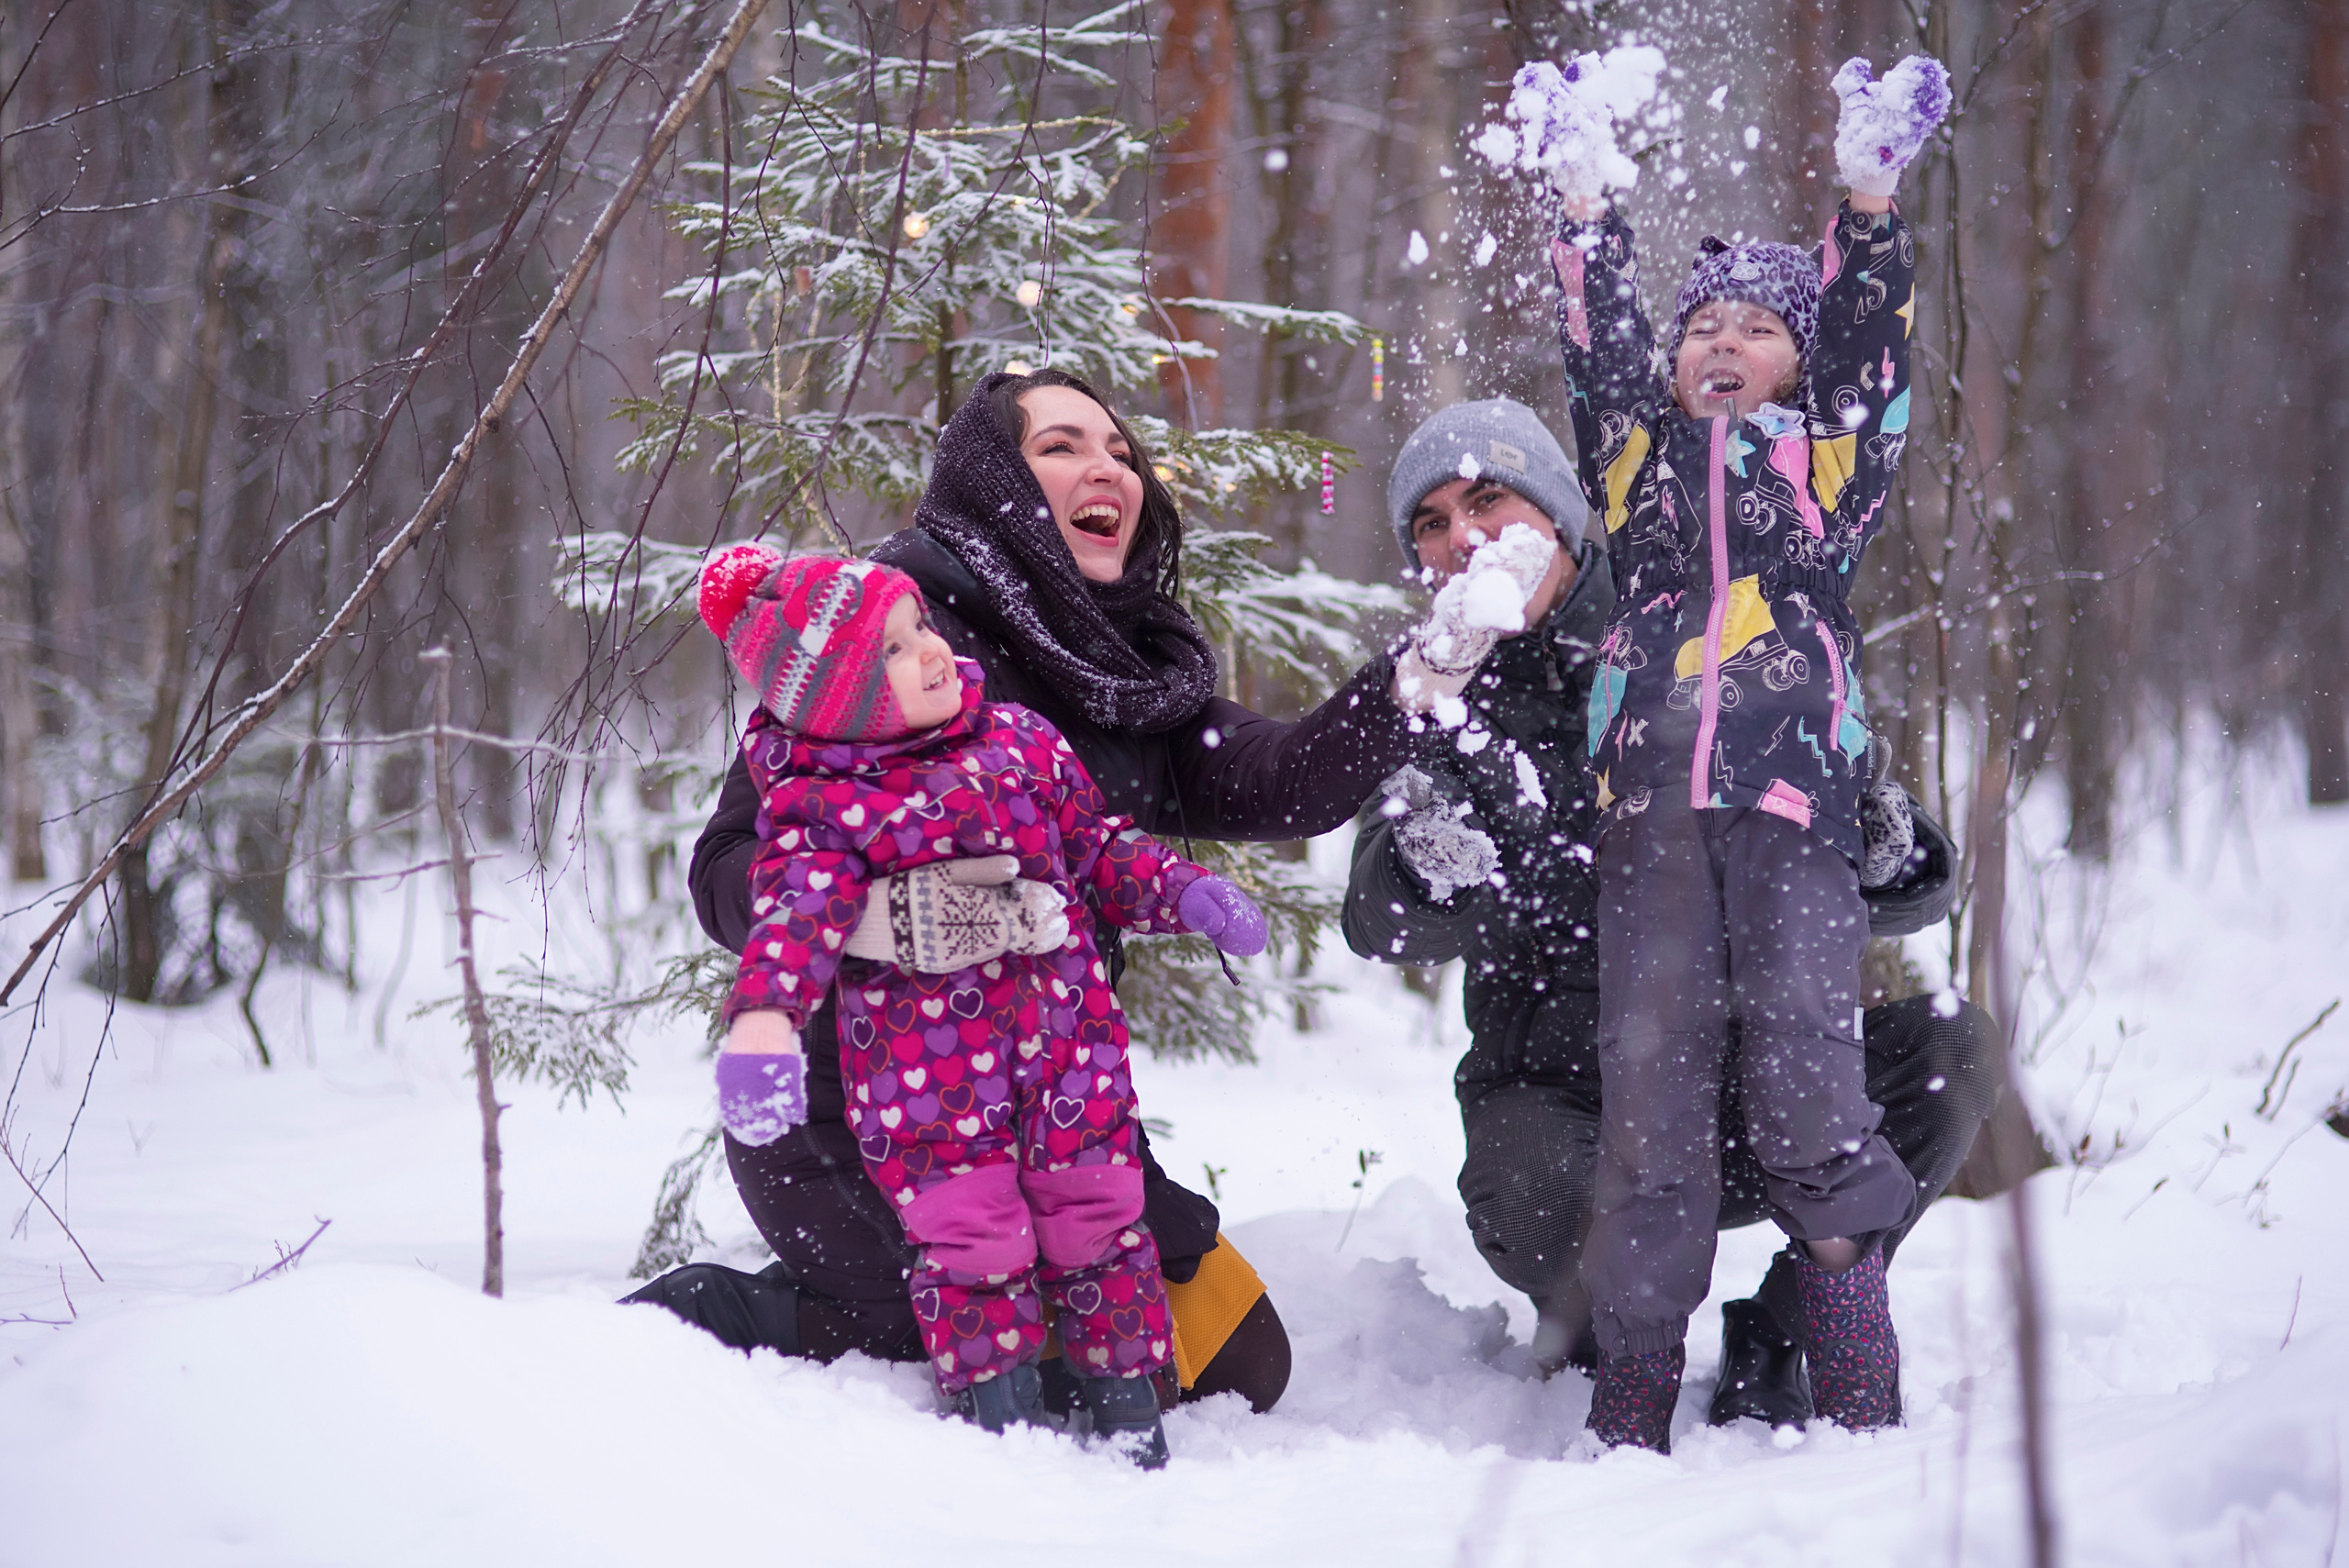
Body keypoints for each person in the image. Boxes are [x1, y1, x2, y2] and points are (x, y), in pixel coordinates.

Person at [649, 368, 1452, 1414]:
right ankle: (726, 1315)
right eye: (1064, 444)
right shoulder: (884, 630)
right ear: (996, 481)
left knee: (1230, 1363)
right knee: (979, 1317)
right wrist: (888, 913)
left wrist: (1424, 673)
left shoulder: (1120, 671)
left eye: (1120, 450)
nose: (1107, 464)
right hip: (864, 1112)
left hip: (1041, 1098)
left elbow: (1283, 778)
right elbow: (725, 868)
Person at [1343, 395, 1994, 1444]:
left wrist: (1863, 826)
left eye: (1487, 498)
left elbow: (1919, 883)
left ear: (1556, 512)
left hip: (1754, 1089)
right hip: (1572, 1104)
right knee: (1525, 1184)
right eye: (1430, 521)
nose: (1462, 534)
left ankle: (1786, 1325)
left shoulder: (1701, 625)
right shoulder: (1438, 689)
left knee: (1948, 1050)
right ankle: (1615, 1338)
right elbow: (1374, 916)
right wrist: (1438, 858)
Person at [1499, 51, 1957, 1451]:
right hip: (1646, 816)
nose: (1722, 340)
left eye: (1759, 326)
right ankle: (1635, 1391)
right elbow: (1601, 339)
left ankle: (1854, 1364)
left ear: (1798, 364)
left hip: (1786, 805)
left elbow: (1876, 345)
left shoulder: (1825, 467)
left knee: (1813, 1082)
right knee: (1654, 1109)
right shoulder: (1636, 460)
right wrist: (1583, 202)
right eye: (1707, 324)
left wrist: (1867, 200)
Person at [690, 546, 1270, 1463]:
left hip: (1070, 1060)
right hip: (928, 1089)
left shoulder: (1020, 742)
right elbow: (790, 923)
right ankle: (1005, 1437)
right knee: (975, 1249)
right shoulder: (827, 804)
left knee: (1101, 1220)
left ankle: (1128, 1417)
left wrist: (1184, 891)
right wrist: (762, 1030)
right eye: (890, 649)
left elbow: (1097, 849)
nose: (928, 650)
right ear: (836, 697)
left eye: (918, 625)